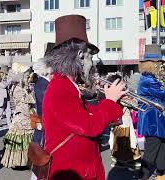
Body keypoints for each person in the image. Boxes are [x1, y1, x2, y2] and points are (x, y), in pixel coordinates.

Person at [42, 15, 127, 180]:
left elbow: (87, 114)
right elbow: (89, 125)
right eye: (91, 58)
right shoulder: (60, 88)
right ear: (80, 56)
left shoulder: (66, 85)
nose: (92, 64)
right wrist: (109, 101)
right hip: (73, 172)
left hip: (82, 169)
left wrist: (114, 101)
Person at [137, 44, 165, 180]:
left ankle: (161, 175)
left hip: (160, 122)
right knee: (150, 154)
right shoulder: (148, 79)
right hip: (153, 123)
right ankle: (143, 177)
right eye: (159, 62)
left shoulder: (154, 78)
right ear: (152, 64)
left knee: (162, 152)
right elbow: (163, 93)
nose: (161, 65)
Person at [1, 63, 35, 168]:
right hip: (21, 117)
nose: (28, 78)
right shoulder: (16, 89)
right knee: (20, 139)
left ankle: (26, 160)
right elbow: (28, 101)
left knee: (27, 139)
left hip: (27, 117)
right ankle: (18, 161)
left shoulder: (24, 88)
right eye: (26, 76)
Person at [107, 74, 141, 170]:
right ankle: (127, 163)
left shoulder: (113, 94)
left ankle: (120, 161)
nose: (123, 84)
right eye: (121, 83)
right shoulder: (119, 96)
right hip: (123, 122)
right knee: (126, 143)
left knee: (120, 142)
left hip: (119, 122)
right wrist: (130, 97)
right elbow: (134, 105)